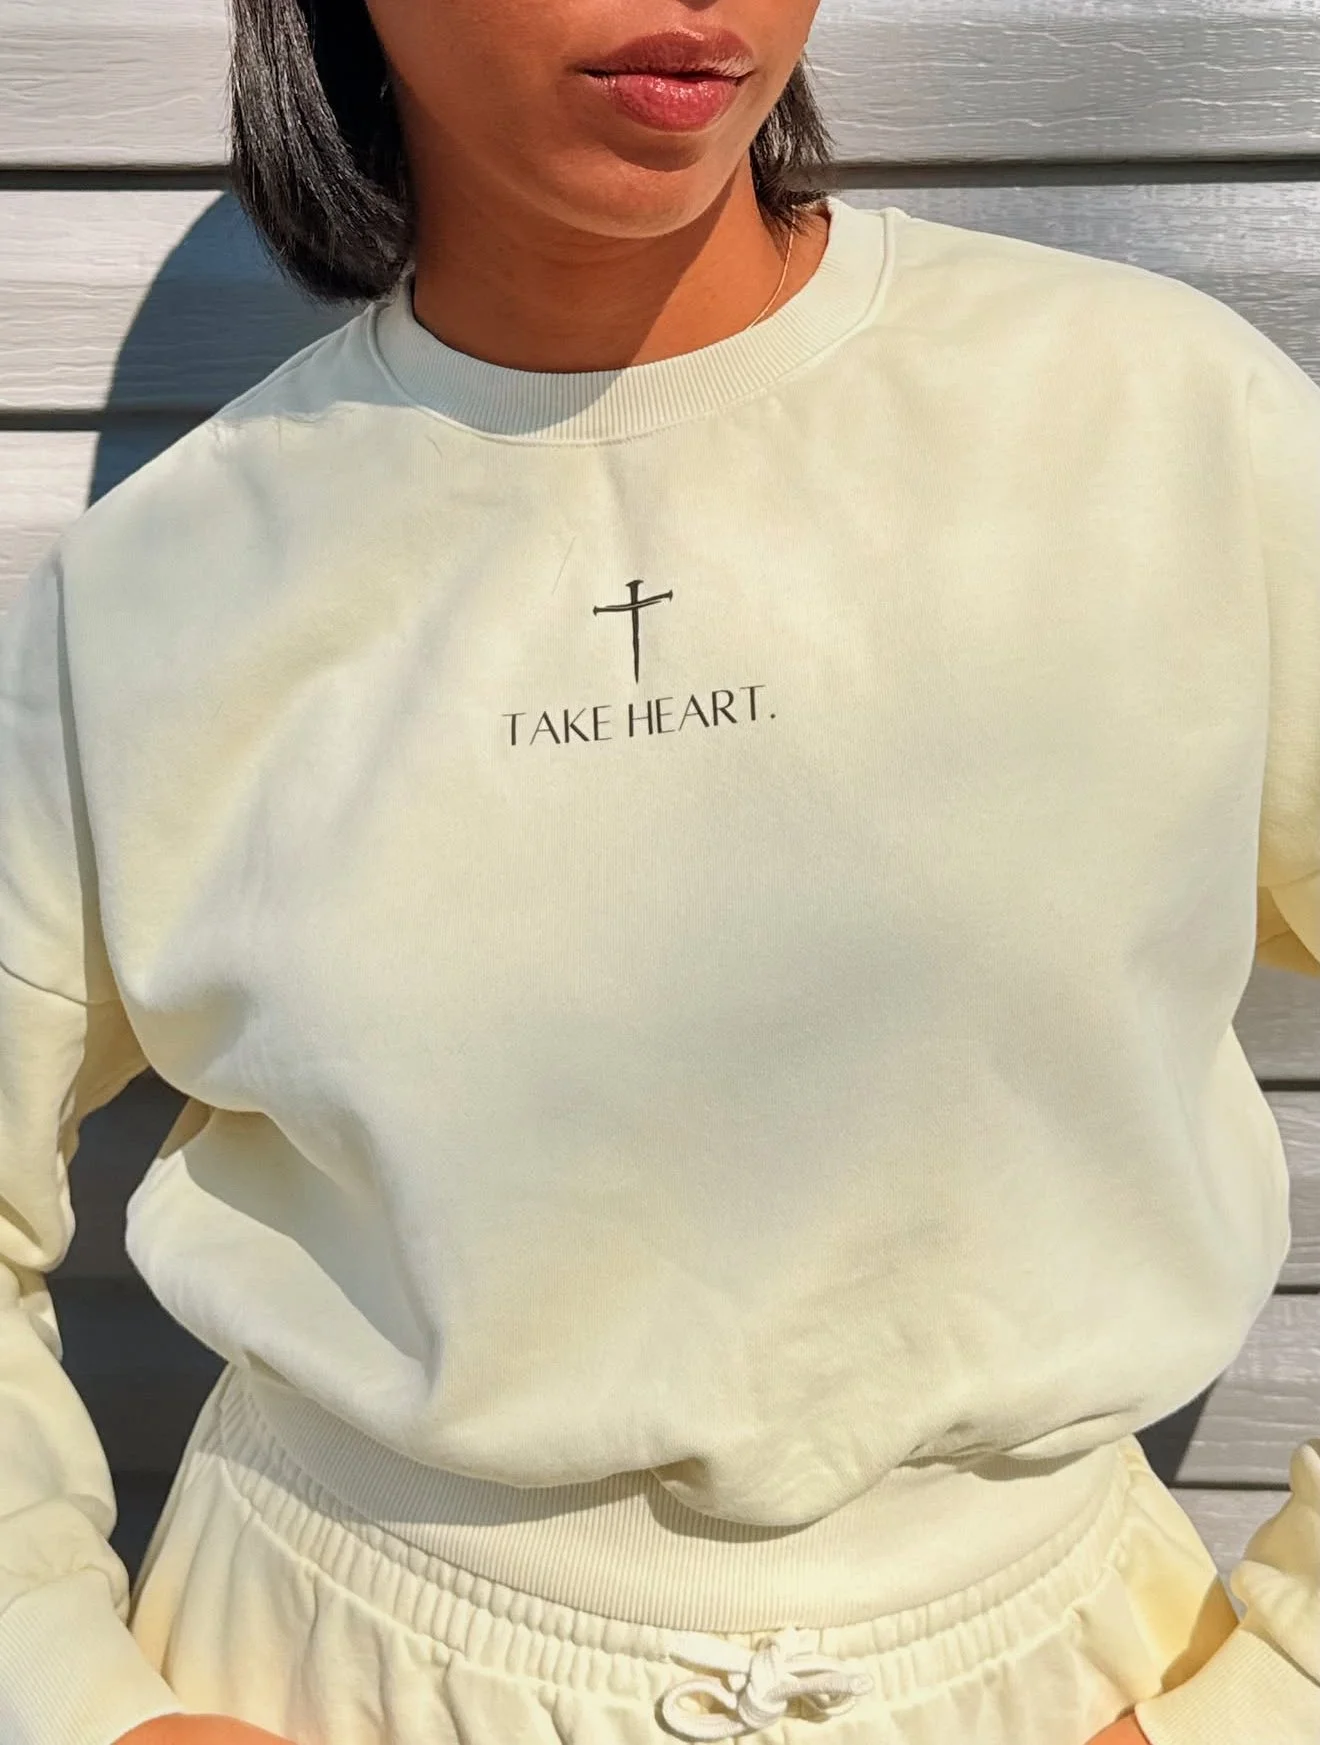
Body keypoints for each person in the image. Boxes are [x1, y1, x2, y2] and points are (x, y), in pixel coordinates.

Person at [1, 2, 1318, 1744]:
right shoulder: (165, 585)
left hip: (1067, 1681)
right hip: (327, 1674)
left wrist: (1279, 1683)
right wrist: (76, 1693)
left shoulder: (1157, 420)